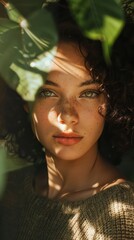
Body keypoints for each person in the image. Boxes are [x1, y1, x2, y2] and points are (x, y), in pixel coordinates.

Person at [0, 1, 134, 239]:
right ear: (23, 97)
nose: (68, 117)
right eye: (48, 92)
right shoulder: (9, 191)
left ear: (113, 99)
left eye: (89, 93)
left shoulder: (122, 216)